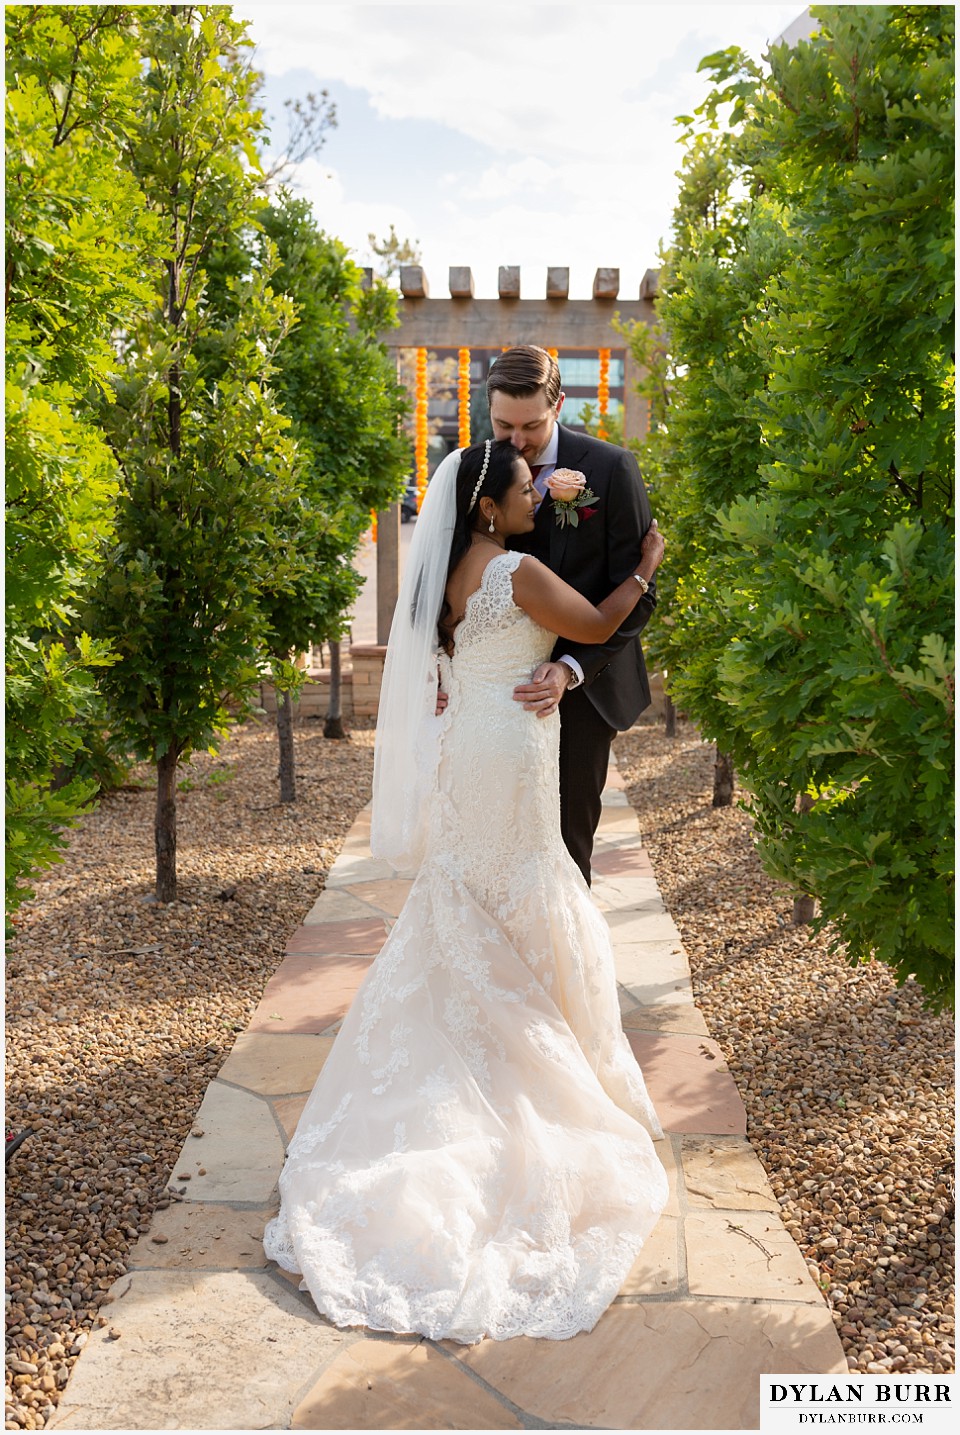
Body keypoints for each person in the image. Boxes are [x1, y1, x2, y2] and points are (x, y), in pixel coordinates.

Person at [263, 439, 667, 1346]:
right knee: (524, 882)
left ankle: (479, 1032)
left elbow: (450, 665)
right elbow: (597, 627)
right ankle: (523, 1055)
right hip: (509, 749)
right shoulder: (517, 570)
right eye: (524, 487)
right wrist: (641, 571)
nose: (534, 492)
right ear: (490, 506)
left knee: (476, 887)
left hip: (475, 746)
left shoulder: (447, 577)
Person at [490, 345, 657, 884]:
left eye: (531, 425)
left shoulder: (610, 469)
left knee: (565, 846)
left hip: (583, 694)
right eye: (502, 424)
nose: (516, 440)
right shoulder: (478, 470)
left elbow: (639, 594)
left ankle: (563, 963)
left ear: (558, 404)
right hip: (492, 690)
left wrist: (570, 669)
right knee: (497, 838)